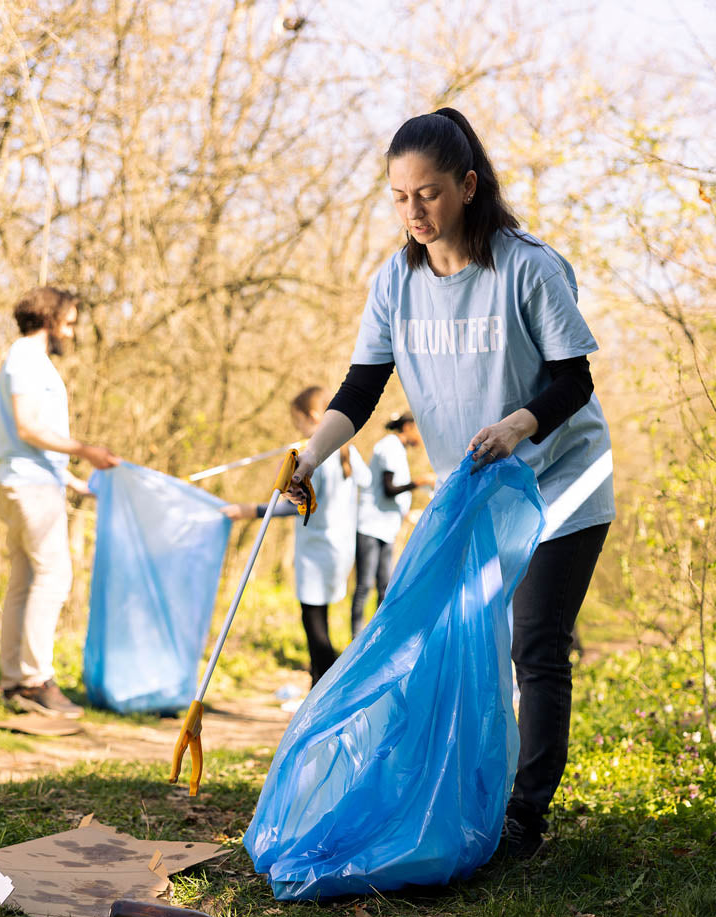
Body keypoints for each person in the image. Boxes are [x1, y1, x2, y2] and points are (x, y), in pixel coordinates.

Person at [286, 109, 615, 860]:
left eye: (428, 195)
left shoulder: (528, 266)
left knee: (533, 644)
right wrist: (309, 457)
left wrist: (517, 425)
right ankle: (462, 789)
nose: (414, 212)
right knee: (457, 643)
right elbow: (361, 389)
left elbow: (575, 379)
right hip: (477, 498)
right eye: (400, 197)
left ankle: (525, 814)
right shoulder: (394, 282)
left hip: (560, 483)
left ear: (467, 187)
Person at [0, 287, 121, 718]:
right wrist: (86, 449)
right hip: (29, 487)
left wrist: (69, 478)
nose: (72, 331)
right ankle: (35, 681)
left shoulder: (28, 360)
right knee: (53, 577)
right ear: (48, 320)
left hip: (28, 480)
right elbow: (28, 427)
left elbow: (26, 440)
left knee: (25, 579)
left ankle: (13, 680)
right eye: (69, 322)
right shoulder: (27, 359)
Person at [222, 386, 370, 687]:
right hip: (339, 548)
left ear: (314, 416)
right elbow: (365, 483)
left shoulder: (317, 456)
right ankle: (320, 689)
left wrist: (253, 510)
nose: (297, 429)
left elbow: (301, 506)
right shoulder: (349, 451)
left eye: (298, 422)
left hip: (318, 551)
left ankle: (326, 693)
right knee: (321, 622)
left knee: (315, 629)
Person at [351, 411, 433, 637]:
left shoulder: (398, 451)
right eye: (420, 429)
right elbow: (389, 488)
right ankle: (355, 639)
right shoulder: (388, 447)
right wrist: (419, 481)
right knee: (364, 585)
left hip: (387, 528)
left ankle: (379, 638)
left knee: (385, 586)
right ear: (407, 426)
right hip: (370, 526)